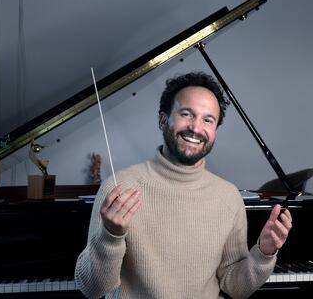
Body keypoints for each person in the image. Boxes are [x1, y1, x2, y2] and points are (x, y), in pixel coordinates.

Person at [75, 72, 292, 299]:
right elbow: (92, 289)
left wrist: (264, 253)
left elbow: (235, 288)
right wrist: (111, 235)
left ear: (215, 131)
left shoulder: (228, 197)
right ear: (163, 120)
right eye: (186, 114)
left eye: (208, 120)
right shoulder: (118, 188)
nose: (196, 128)